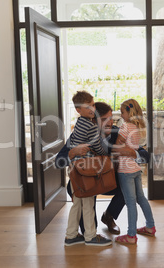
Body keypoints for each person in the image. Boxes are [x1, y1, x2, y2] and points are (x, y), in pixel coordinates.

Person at [55, 101, 150, 236]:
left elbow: (146, 156)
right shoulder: (80, 135)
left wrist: (133, 153)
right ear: (93, 121)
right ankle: (88, 231)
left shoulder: (119, 132)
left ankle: (109, 216)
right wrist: (72, 152)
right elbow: (58, 161)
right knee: (88, 230)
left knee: (128, 185)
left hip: (109, 180)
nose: (110, 123)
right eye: (105, 120)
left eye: (111, 119)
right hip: (85, 183)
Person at [63, 90, 111, 247]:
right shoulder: (89, 126)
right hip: (84, 169)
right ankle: (90, 236)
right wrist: (104, 153)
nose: (92, 109)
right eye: (87, 107)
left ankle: (70, 235)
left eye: (92, 105)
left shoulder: (79, 123)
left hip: (75, 168)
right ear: (78, 110)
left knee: (77, 203)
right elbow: (98, 147)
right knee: (88, 203)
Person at [114, 99, 156, 245]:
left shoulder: (125, 127)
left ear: (129, 112)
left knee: (130, 203)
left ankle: (131, 235)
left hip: (125, 170)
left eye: (122, 112)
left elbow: (118, 147)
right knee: (141, 199)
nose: (121, 114)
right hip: (136, 169)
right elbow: (134, 148)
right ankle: (150, 226)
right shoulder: (137, 128)